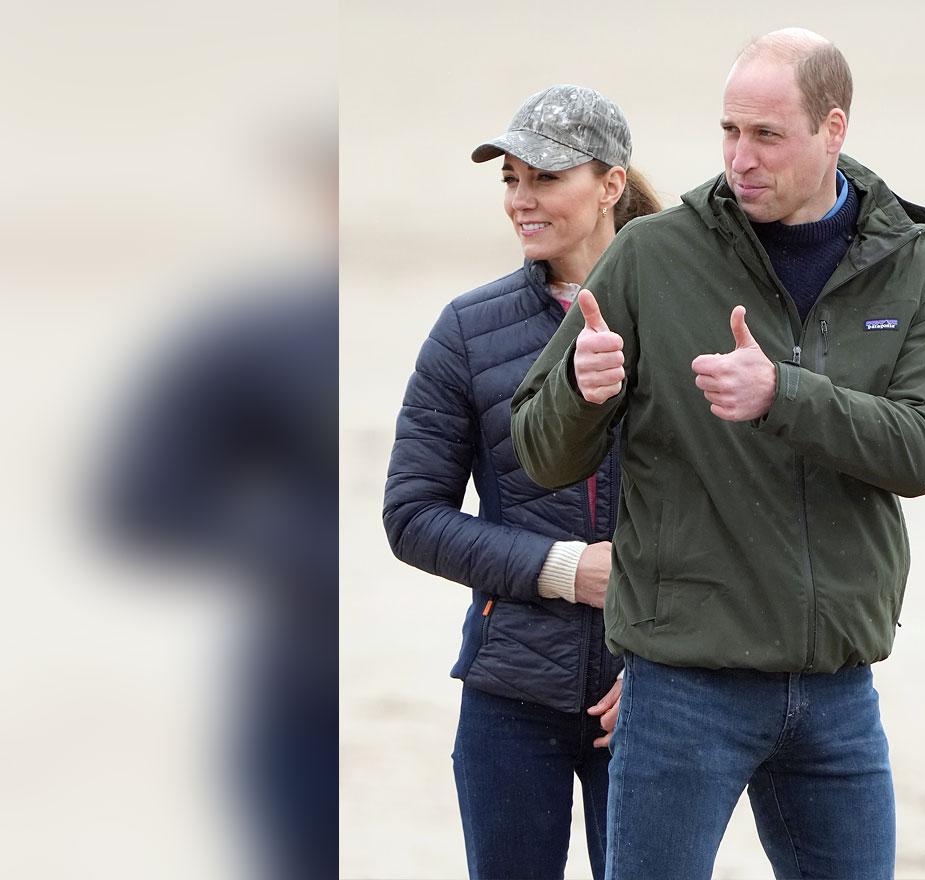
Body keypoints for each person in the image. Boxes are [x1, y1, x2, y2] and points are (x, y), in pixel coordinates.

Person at [512, 30, 925, 879]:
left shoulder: (918, 269)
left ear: (834, 129)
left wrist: (784, 397)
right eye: (729, 130)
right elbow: (540, 452)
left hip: (837, 693)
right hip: (685, 687)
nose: (739, 158)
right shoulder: (652, 255)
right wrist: (582, 389)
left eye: (767, 135)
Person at [382, 84, 661, 879]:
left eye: (545, 177)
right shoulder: (468, 331)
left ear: (610, 185)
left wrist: (658, 657)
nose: (521, 199)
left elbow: (736, 508)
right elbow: (412, 516)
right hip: (509, 693)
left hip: (657, 695)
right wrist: (567, 571)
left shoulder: (687, 318)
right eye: (511, 178)